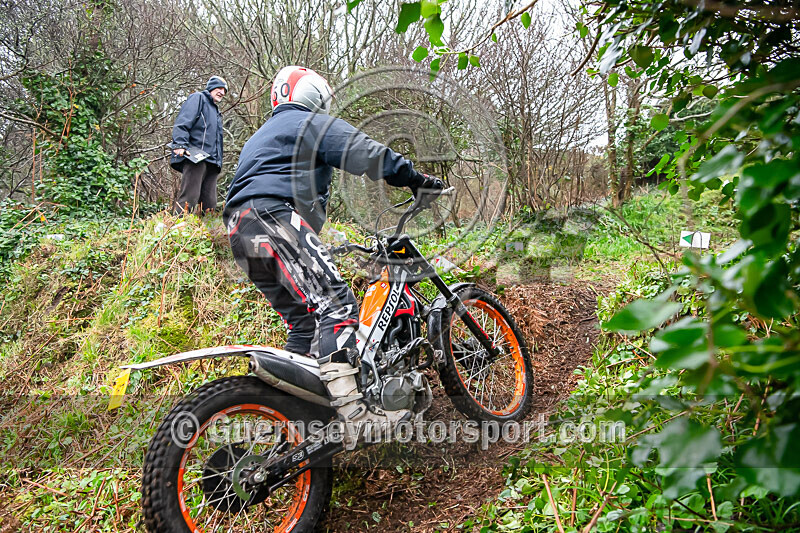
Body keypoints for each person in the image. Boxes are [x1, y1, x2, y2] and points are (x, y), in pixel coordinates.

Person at [223, 65, 443, 434]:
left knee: (305, 324)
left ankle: (298, 416)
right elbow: (363, 151)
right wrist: (415, 179)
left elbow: (290, 189)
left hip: (241, 230)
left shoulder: (263, 135)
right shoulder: (307, 123)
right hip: (273, 217)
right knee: (336, 303)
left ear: (280, 95)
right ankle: (354, 413)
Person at [170, 76, 227, 214]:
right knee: (189, 198)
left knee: (209, 205)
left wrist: (218, 162)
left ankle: (205, 233)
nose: (222, 92)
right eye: (219, 88)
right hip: (196, 156)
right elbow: (183, 121)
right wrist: (179, 143)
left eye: (224, 90)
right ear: (211, 87)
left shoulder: (216, 112)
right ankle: (176, 227)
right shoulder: (198, 98)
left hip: (212, 162)